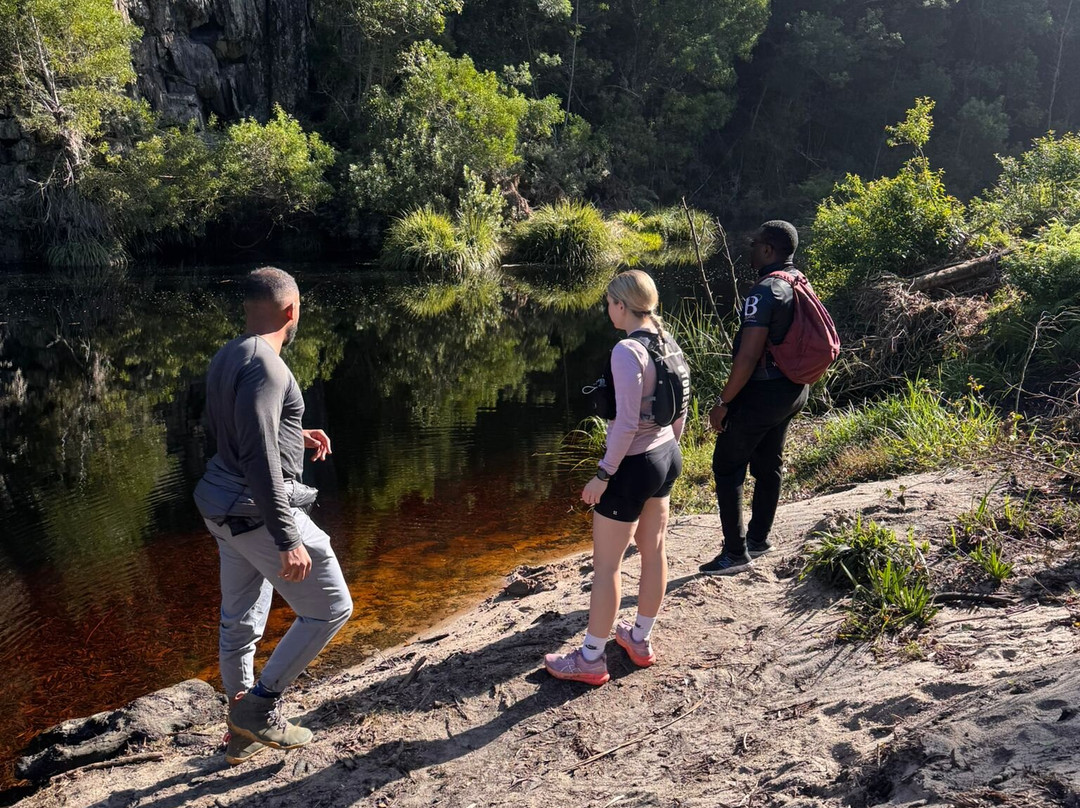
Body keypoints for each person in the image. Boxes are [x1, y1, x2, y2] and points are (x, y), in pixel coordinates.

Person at [193, 267, 353, 764]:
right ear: (292, 310)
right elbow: (259, 454)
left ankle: (239, 729)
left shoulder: (231, 353)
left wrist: (295, 433)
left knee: (238, 620)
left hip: (220, 509)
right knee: (331, 607)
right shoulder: (269, 367)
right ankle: (260, 707)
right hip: (256, 512)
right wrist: (287, 537)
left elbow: (238, 428)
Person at [544, 270, 685, 685]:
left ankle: (590, 659)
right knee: (653, 548)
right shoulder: (667, 340)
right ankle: (639, 639)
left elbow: (624, 424)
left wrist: (604, 474)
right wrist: (666, 448)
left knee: (606, 566)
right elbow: (681, 407)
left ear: (622, 305)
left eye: (609, 303)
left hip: (632, 465)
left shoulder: (627, 350)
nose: (608, 310)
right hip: (666, 455)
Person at [699, 220, 810, 575]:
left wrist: (724, 402)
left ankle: (734, 553)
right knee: (768, 462)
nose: (749, 247)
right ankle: (758, 539)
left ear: (768, 250)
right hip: (794, 389)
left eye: (754, 242)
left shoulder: (764, 292)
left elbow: (747, 357)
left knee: (727, 465)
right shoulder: (797, 281)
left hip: (764, 392)